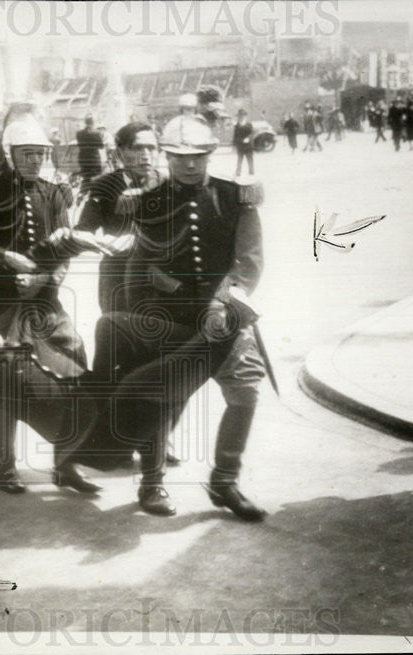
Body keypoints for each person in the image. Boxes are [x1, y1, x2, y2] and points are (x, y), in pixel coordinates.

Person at [123, 115, 268, 521]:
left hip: (223, 315)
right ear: (166, 156)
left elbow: (250, 260)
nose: (189, 165)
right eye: (179, 157)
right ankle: (151, 483)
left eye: (198, 156)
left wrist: (226, 301)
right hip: (170, 318)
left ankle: (224, 480)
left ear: (210, 153)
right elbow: (138, 267)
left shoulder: (233, 196)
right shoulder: (148, 201)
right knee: (162, 398)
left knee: (246, 391)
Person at [0, 113, 97, 496]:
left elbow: (66, 249)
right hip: (0, 304)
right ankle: (5, 464)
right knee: (10, 381)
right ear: (9, 152)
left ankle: (66, 462)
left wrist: (44, 279)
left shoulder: (53, 194)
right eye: (28, 153)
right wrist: (6, 259)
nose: (36, 160)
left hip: (46, 302)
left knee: (73, 369)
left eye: (41, 153)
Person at [76, 121, 163, 314]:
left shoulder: (168, 185)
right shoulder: (104, 185)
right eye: (137, 148)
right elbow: (83, 230)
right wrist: (103, 242)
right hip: (118, 276)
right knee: (117, 334)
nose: (146, 155)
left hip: (159, 279)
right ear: (120, 153)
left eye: (152, 148)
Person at [76, 115, 104, 194]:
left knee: (86, 178)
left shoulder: (79, 133)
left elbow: (79, 145)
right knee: (96, 177)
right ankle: (96, 195)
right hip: (94, 159)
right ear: (93, 122)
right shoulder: (96, 133)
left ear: (85, 122)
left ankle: (82, 194)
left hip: (83, 158)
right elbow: (101, 146)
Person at [232, 108, 255, 176]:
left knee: (250, 159)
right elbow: (235, 135)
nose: (240, 117)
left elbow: (252, 133)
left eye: (242, 115)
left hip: (248, 145)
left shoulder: (249, 124)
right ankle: (238, 172)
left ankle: (251, 172)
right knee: (239, 160)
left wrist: (248, 138)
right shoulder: (237, 125)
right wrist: (234, 145)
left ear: (245, 116)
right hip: (240, 145)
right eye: (239, 115)